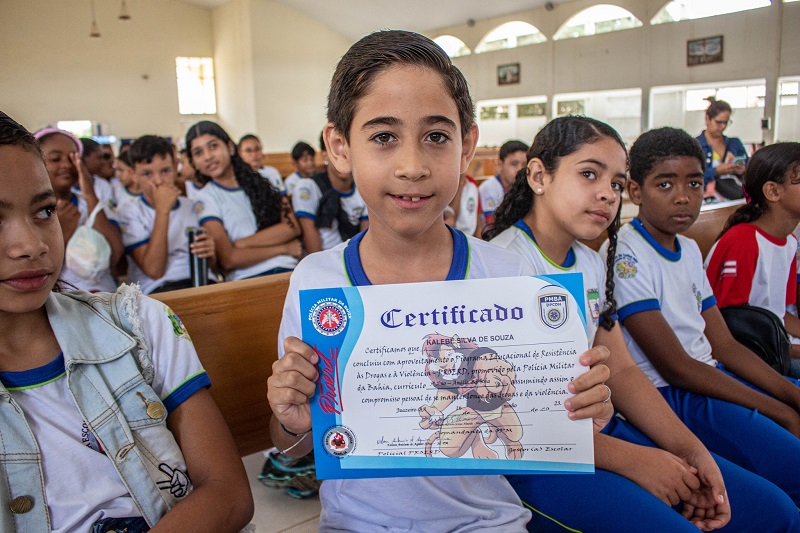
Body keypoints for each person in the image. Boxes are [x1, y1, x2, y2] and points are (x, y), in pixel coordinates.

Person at [267, 30, 615, 533]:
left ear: (466, 145)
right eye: (383, 137)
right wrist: (291, 417)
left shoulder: (510, 277)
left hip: (488, 523)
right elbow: (290, 441)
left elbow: (541, 423)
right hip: (354, 524)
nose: (413, 167)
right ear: (340, 148)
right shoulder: (315, 281)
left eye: (436, 136)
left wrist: (583, 407)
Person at [486, 118, 798, 532]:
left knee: (774, 512)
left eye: (616, 183)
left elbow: (625, 370)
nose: (606, 194)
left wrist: (689, 449)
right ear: (540, 175)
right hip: (538, 456)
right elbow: (504, 416)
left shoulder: (589, 261)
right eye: (589, 174)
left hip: (600, 432)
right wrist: (639, 460)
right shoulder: (502, 265)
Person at [0, 111, 253, 532]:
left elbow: (228, 493)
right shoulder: (134, 213)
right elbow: (149, 264)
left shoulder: (139, 325)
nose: (31, 245)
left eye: (44, 211)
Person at [607, 128, 800, 509]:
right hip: (671, 395)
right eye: (665, 184)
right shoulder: (627, 257)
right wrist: (780, 407)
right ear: (635, 192)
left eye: (694, 183)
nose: (683, 196)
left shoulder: (690, 249)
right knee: (790, 474)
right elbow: (677, 367)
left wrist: (786, 390)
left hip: (709, 376)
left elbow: (723, 344)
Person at [705, 142, 800, 374]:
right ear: (773, 191)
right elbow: (732, 330)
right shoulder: (743, 242)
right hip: (748, 356)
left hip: (772, 345)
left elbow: (780, 315)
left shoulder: (789, 242)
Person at [188, 121, 302, 280]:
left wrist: (241, 244)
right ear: (193, 163)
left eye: (213, 146)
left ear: (230, 147)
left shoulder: (266, 179)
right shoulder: (205, 198)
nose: (208, 156)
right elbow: (229, 259)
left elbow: (291, 227)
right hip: (247, 278)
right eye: (198, 152)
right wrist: (284, 248)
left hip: (288, 269)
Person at [116, 135, 216, 294]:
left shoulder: (192, 206)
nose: (158, 181)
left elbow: (214, 266)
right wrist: (163, 210)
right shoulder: (130, 212)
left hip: (203, 283)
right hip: (159, 291)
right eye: (147, 174)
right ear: (133, 174)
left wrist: (210, 253)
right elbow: (155, 271)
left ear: (176, 167)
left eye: (165, 171)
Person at [34, 128, 123, 292]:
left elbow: (114, 256)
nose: (67, 165)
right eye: (55, 159)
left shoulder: (91, 203)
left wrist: (90, 196)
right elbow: (36, 267)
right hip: (64, 301)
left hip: (105, 296)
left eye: (73, 158)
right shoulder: (32, 211)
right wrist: (63, 233)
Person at [292, 132, 368, 254]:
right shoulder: (308, 186)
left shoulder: (364, 187)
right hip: (323, 258)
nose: (344, 159)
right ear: (325, 156)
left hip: (352, 258)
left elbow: (364, 239)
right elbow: (310, 239)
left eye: (350, 150)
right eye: (337, 152)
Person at [696, 98, 748, 201]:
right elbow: (690, 176)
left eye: (726, 123)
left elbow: (752, 170)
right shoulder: (696, 146)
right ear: (707, 119)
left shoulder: (734, 144)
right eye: (719, 122)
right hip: (707, 201)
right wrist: (716, 171)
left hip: (735, 198)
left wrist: (742, 170)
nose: (723, 127)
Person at [479, 139, 528, 225]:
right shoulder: (488, 188)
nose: (520, 169)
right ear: (500, 165)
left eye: (524, 165)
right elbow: (492, 226)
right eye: (514, 164)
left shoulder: (527, 188)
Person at [80, 137, 116, 208]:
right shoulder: (68, 188)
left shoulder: (103, 185)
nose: (102, 162)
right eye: (99, 158)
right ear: (83, 159)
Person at [444, 171, 482, 237]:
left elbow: (477, 216)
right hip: (455, 236)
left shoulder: (472, 184)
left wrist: (480, 239)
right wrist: (460, 184)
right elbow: (452, 219)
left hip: (471, 237)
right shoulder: (447, 185)